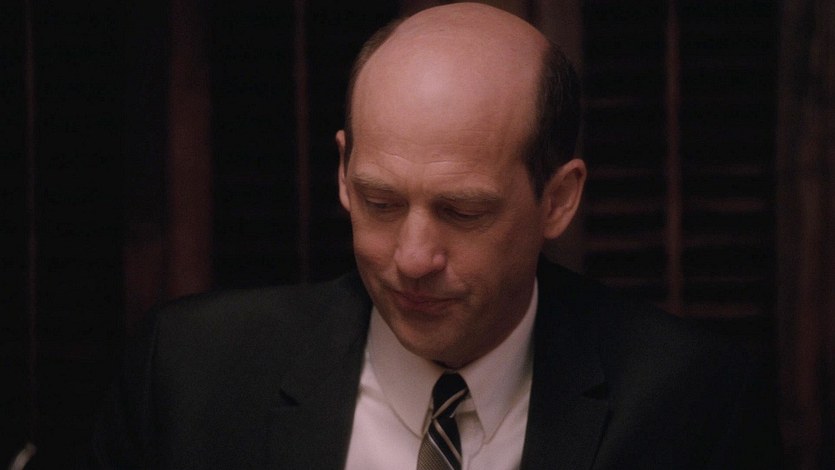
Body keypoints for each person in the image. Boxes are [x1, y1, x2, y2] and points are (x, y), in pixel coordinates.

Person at [91, 3, 780, 469]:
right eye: (380, 202)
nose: (413, 258)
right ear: (342, 173)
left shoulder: (696, 404)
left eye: (463, 211)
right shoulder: (187, 374)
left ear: (558, 200)